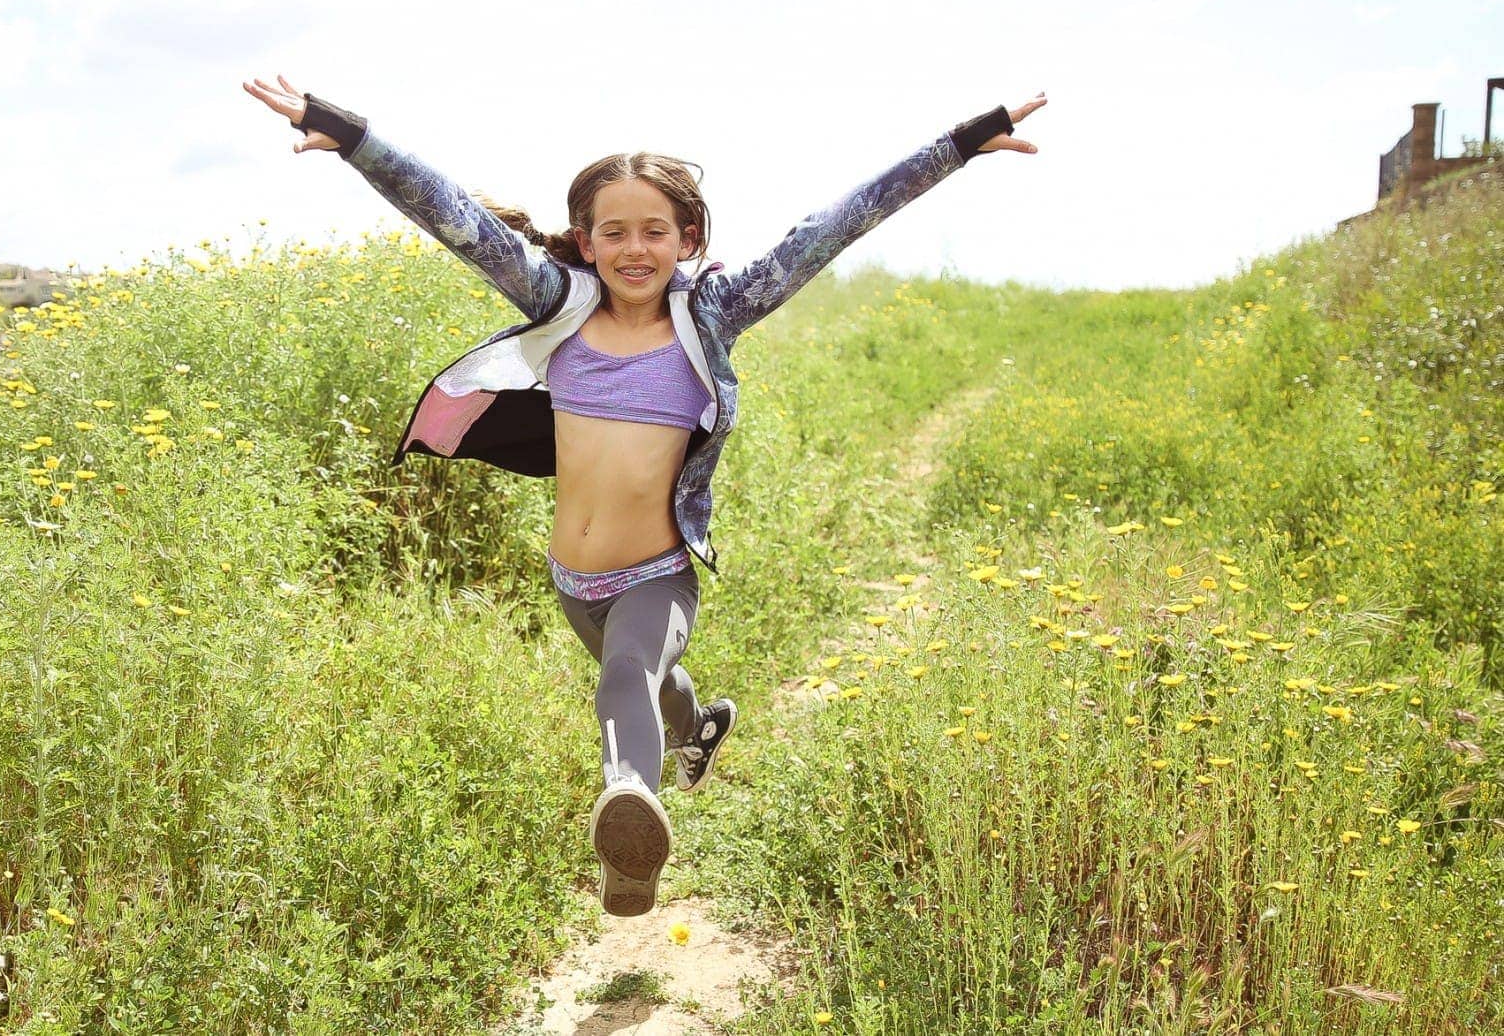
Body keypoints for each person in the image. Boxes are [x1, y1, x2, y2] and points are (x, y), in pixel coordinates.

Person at [243, 76, 1045, 917]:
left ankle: (629, 816)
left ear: (687, 237)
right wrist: (353, 138)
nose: (635, 247)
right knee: (658, 688)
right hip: (570, 580)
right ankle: (700, 725)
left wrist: (958, 144)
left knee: (628, 670)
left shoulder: (715, 316)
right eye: (614, 231)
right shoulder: (557, 305)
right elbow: (455, 219)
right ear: (585, 242)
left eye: (654, 231)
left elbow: (838, 225)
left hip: (657, 569)